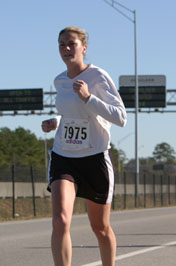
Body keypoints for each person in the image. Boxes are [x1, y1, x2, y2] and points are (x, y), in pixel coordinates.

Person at [41, 26, 127, 266]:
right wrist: (55, 121)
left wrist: (90, 98)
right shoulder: (59, 81)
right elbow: (72, 116)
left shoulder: (97, 76)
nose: (66, 49)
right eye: (61, 44)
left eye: (71, 44)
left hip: (94, 157)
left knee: (100, 228)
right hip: (64, 156)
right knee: (61, 220)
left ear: (84, 48)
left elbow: (120, 117)